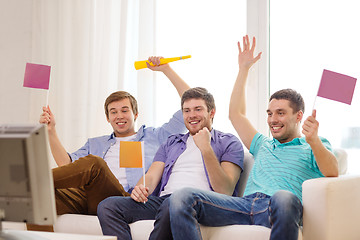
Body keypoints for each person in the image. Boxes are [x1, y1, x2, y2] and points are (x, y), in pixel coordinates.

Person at [162, 35, 339, 240]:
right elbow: (236, 114)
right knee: (181, 197)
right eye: (269, 113)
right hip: (243, 206)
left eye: (280, 113)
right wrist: (243, 69)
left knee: (284, 197)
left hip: (278, 206)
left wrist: (314, 140)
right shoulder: (262, 143)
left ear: (298, 116)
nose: (273, 119)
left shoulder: (312, 144)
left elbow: (332, 170)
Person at [39, 56, 190, 215]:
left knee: (95, 163)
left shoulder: (156, 136)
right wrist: (51, 131)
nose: (119, 116)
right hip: (94, 198)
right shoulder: (96, 144)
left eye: (125, 110)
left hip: (130, 200)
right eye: (113, 112)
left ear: (136, 114)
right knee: (42, 196)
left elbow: (189, 105)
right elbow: (67, 166)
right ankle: (34, 190)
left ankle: (33, 179)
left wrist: (166, 69)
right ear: (107, 118)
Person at [97, 87, 244, 240]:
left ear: (211, 112)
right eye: (186, 111)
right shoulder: (172, 142)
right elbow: (152, 176)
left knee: (175, 200)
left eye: (198, 109)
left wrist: (206, 149)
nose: (192, 115)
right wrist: (140, 188)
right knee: (108, 206)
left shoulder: (228, 142)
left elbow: (225, 190)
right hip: (165, 201)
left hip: (202, 202)